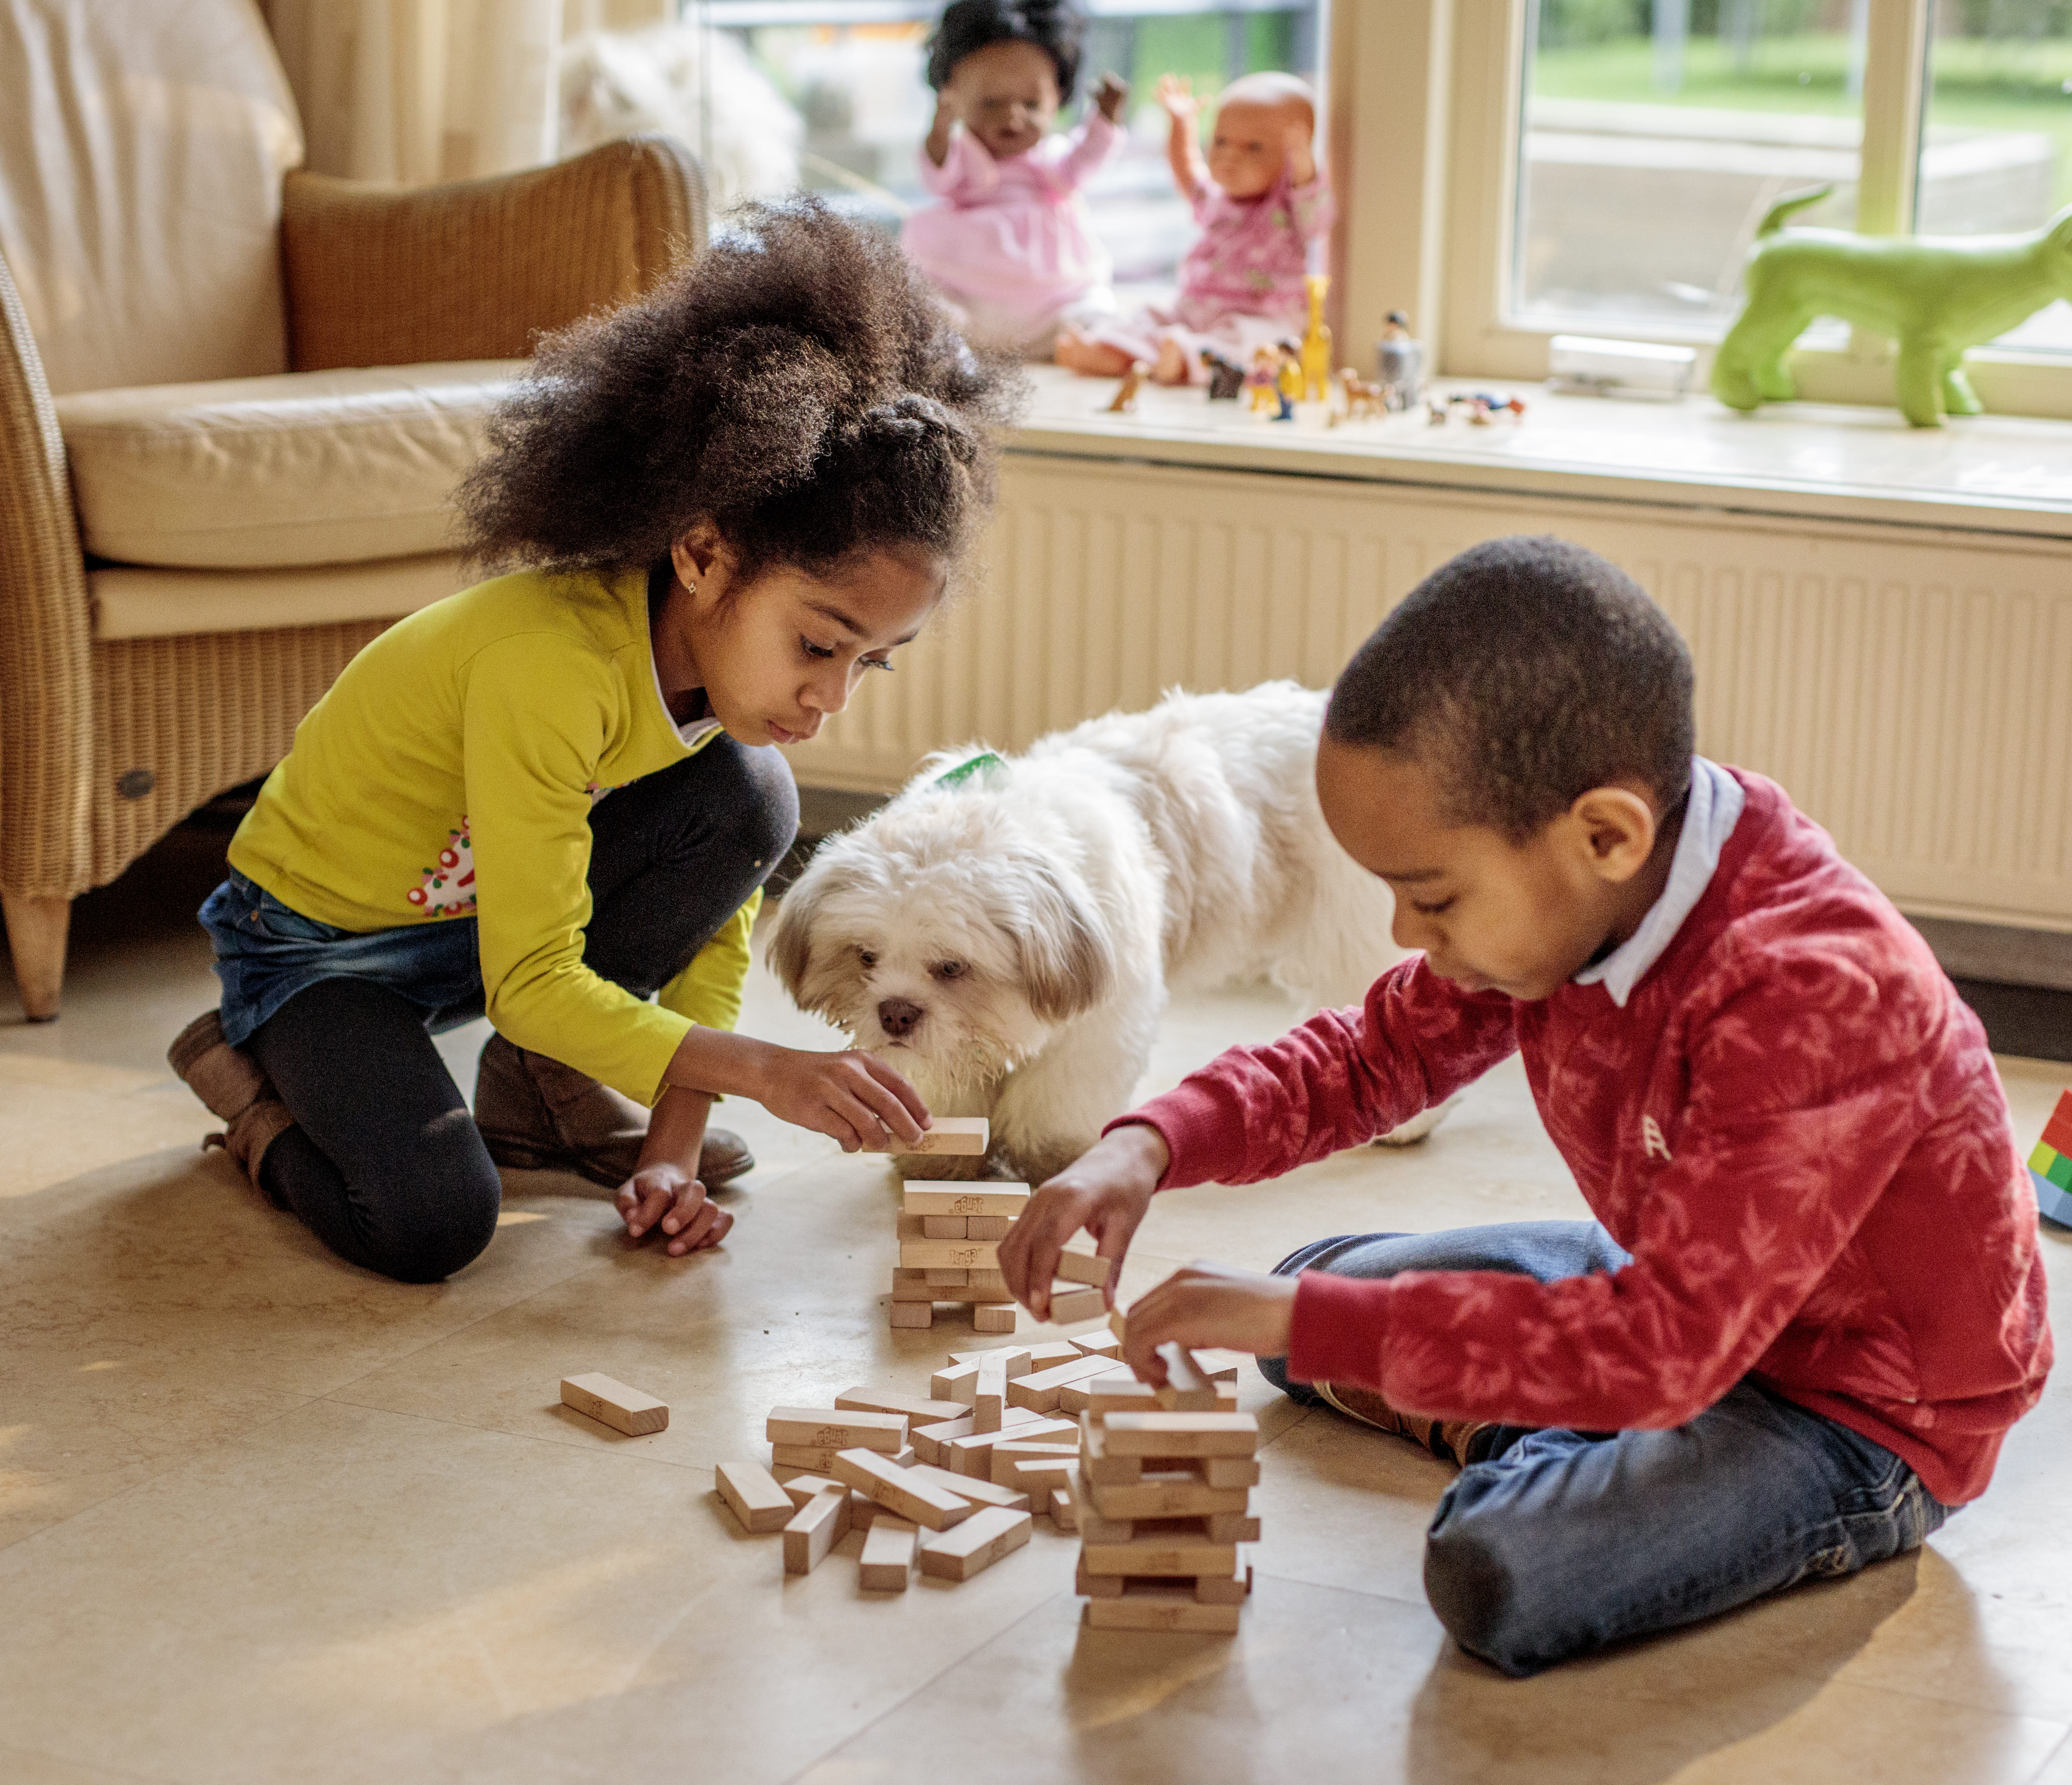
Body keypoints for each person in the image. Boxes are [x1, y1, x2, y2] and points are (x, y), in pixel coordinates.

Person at [999, 535, 2050, 1676]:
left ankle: (1558, 1420)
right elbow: (1369, 1055)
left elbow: (1669, 1349)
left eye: (1431, 895)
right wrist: (1150, 1143)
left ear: (1606, 834)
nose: (1406, 934)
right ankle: (1558, 1398)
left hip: (1852, 1406)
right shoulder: (1582, 896)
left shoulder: (1815, 991)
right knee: (1314, 1297)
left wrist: (1325, 1324)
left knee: (1497, 1566)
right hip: (1678, 1286)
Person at [166, 200, 1022, 1284]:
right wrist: (766, 1071)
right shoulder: (551, 668)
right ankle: (245, 1088)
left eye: (872, 660)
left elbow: (709, 943)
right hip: (319, 947)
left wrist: (673, 1159)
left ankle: (541, 1095)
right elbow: (529, 980)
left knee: (755, 803)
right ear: (705, 552)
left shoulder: (721, 692)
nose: (833, 697)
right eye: (819, 643)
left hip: (480, 920)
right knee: (431, 1221)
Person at [1055, 70, 1330, 384]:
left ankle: (1185, 362)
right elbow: (1186, 169)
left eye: (1254, 147)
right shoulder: (1216, 200)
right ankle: (1110, 351)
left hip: (1257, 315)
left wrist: (1304, 166)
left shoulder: (1288, 208)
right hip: (1193, 310)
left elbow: (1318, 218)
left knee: (1256, 344)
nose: (1230, 155)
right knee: (1147, 317)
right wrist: (1181, 124)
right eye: (1221, 141)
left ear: (1293, 154)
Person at [904, 0, 1127, 355]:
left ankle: (1086, 348)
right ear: (953, 94)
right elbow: (936, 175)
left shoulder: (1052, 161)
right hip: (969, 282)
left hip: (1053, 291)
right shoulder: (963, 157)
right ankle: (956, 355)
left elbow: (1086, 159)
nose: (1012, 117)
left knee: (1095, 309)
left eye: (1032, 104)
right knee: (932, 311)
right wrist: (940, 129)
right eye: (990, 103)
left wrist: (1105, 120)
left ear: (1059, 97)